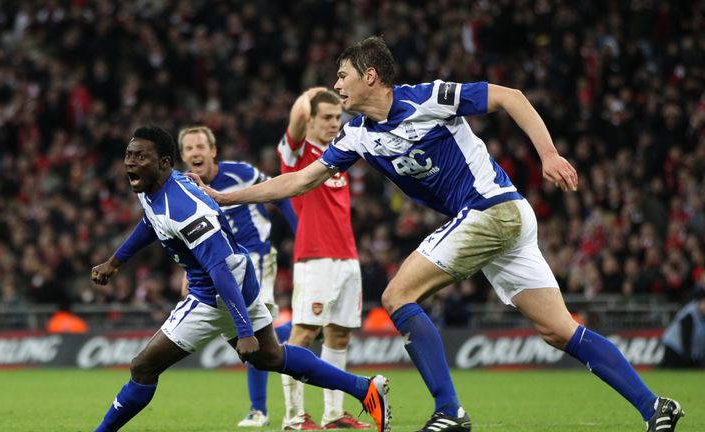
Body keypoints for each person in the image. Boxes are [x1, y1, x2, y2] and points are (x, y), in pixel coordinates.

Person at [192, 37, 685, 432]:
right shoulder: (358, 134)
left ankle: (450, 412)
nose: (335, 87)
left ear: (370, 76)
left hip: (491, 209)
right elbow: (299, 180)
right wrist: (224, 197)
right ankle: (655, 406)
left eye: (341, 76)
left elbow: (509, 97)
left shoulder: (428, 98)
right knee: (559, 330)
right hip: (498, 220)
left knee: (398, 293)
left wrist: (549, 154)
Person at [89, 126, 391, 432]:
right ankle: (364, 388)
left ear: (164, 162)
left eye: (141, 156)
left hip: (216, 292)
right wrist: (115, 262)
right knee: (271, 357)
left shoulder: (184, 208)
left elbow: (218, 269)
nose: (130, 162)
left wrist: (244, 329)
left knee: (143, 366)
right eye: (129, 155)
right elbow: (151, 223)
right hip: (238, 275)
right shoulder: (154, 188)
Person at [177, 125, 297, 428]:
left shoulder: (240, 173)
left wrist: (301, 234)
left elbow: (280, 196)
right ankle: (307, 326)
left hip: (255, 257)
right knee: (254, 332)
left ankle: (258, 410)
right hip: (217, 267)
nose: (195, 152)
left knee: (254, 331)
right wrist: (187, 273)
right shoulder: (183, 188)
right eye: (189, 148)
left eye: (200, 146)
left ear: (213, 150)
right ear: (182, 155)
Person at [276, 88, 370, 430]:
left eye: (337, 118)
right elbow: (297, 113)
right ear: (311, 120)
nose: (335, 123)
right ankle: (294, 417)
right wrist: (315, 93)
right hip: (314, 257)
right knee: (303, 333)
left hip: (347, 256)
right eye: (327, 118)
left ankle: (333, 413)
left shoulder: (339, 154)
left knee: (339, 335)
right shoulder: (297, 152)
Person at [661, 288, 705, 368]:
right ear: (699, 302)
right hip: (674, 346)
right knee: (672, 369)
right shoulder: (689, 314)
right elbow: (686, 338)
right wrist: (688, 357)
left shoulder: (701, 314)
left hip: (685, 348)